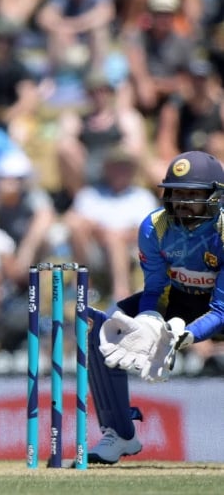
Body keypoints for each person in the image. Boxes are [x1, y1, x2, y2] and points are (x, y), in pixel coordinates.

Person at [85, 150, 224, 464]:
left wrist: (181, 337)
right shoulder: (154, 227)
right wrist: (148, 321)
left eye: (193, 195)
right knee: (103, 328)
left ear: (215, 197)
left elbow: (220, 310)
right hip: (180, 299)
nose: (182, 202)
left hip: (219, 306)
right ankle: (119, 433)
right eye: (176, 193)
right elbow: (155, 290)